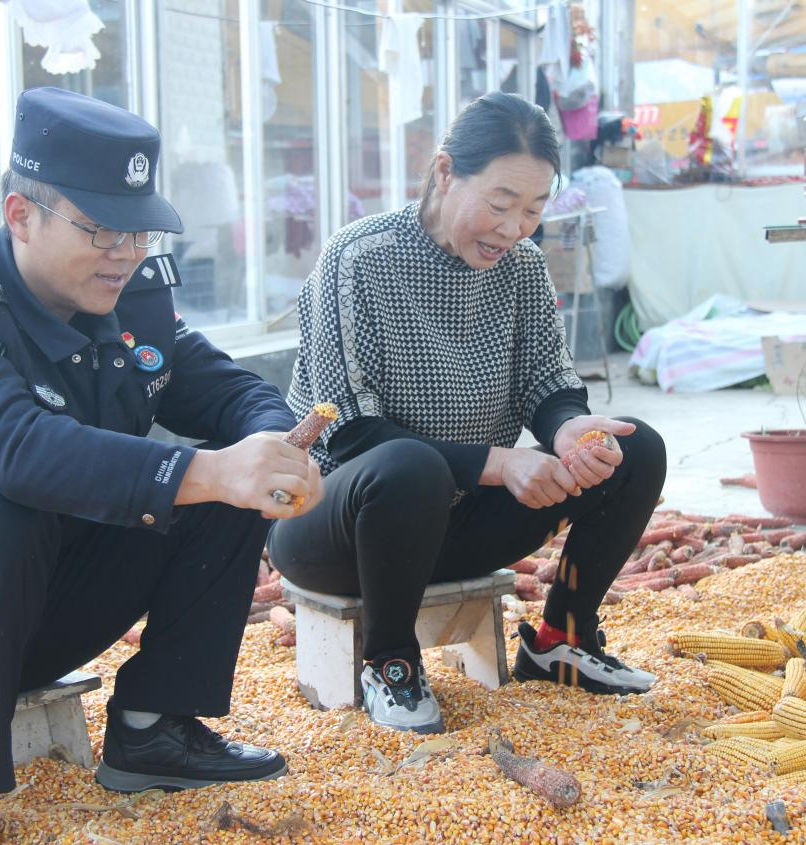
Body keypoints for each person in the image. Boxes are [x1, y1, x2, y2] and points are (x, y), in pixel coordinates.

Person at [0, 87, 323, 845]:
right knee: (0, 503)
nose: (126, 252)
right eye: (102, 229)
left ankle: (154, 727)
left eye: (139, 231)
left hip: (41, 602)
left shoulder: (129, 298)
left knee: (221, 481)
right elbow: (15, 448)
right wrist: (216, 471)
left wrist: (275, 449)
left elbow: (232, 391)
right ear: (21, 215)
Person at [268, 92, 666, 735]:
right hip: (338, 528)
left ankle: (561, 639)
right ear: (446, 171)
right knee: (407, 466)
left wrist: (570, 430)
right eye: (500, 204)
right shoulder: (359, 258)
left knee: (635, 446)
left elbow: (548, 380)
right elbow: (350, 435)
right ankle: (390, 662)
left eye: (533, 210)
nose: (513, 229)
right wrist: (500, 464)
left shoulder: (522, 267)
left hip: (457, 526)